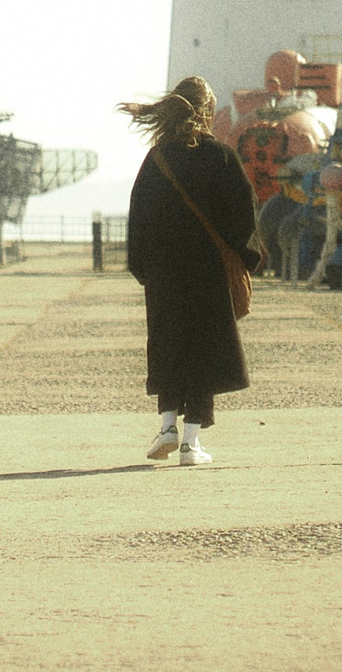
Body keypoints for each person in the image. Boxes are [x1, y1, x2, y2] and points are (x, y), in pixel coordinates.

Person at [120, 75, 262, 466]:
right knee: (203, 351)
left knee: (168, 345)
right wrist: (244, 258)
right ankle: (190, 443)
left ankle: (166, 425)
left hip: (165, 273)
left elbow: (139, 218)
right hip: (208, 273)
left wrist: (144, 268)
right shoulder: (221, 156)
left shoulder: (157, 157)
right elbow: (244, 216)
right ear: (208, 112)